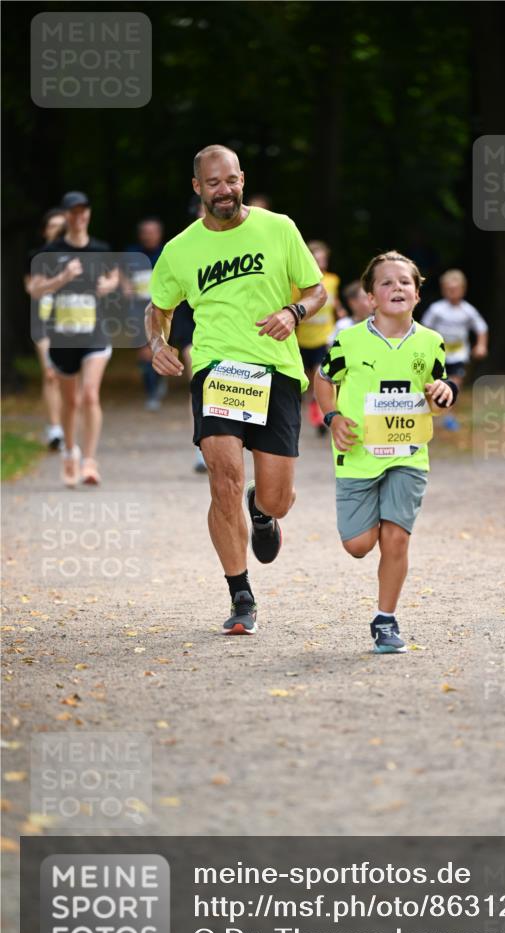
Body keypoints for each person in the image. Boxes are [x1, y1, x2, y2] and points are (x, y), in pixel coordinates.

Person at [146, 144, 326, 635]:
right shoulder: (181, 249)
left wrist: (294, 313)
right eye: (213, 183)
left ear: (241, 179)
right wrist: (156, 340)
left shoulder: (278, 227)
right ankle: (240, 593)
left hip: (278, 372)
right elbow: (158, 306)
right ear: (197, 187)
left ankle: (263, 515)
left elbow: (316, 290)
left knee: (278, 497)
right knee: (221, 477)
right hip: (217, 370)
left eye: (231, 181)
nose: (223, 191)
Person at [315, 251, 458, 653]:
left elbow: (439, 388)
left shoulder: (431, 342)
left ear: (417, 294)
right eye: (386, 282)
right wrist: (332, 417)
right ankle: (372, 516)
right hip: (358, 454)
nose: (397, 287)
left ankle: (386, 620)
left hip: (408, 455)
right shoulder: (349, 340)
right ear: (370, 297)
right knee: (359, 545)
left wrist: (445, 393)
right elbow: (323, 379)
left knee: (395, 539)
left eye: (405, 282)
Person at [27, 191, 118, 487]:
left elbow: (115, 279)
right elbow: (36, 290)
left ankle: (89, 461)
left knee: (90, 394)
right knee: (70, 402)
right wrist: (63, 278)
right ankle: (70, 452)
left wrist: (108, 285)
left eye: (83, 211)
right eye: (73, 212)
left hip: (95, 333)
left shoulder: (102, 249)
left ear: (88, 214)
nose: (79, 217)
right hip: (63, 336)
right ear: (66, 215)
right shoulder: (50, 252)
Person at [420, 269, 488, 431]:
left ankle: (449, 417)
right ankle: (430, 412)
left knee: (453, 384)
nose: (452, 292)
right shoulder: (437, 309)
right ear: (443, 289)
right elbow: (423, 329)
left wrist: (481, 345)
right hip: (438, 354)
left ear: (463, 289)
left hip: (458, 354)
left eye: (456, 289)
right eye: (448, 289)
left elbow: (481, 328)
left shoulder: (467, 310)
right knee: (435, 385)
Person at [168, 197, 208, 472]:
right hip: (190, 322)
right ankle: (202, 448)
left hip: (228, 324)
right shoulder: (182, 247)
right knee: (199, 380)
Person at [24, 208, 66, 449]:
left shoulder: (75, 255)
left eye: (62, 226)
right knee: (51, 375)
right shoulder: (35, 257)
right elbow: (31, 289)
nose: (58, 231)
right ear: (44, 230)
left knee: (68, 377)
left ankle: (67, 428)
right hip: (44, 322)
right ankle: (54, 429)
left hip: (71, 323)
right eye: (53, 226)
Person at [296, 240, 341, 433]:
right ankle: (312, 414)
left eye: (323, 259)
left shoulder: (333, 280)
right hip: (303, 338)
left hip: (324, 337)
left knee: (319, 376)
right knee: (306, 382)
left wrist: (340, 311)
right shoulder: (298, 283)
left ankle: (320, 417)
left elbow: (334, 300)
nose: (321, 263)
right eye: (317, 259)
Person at [123, 217, 166, 411]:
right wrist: (124, 286)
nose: (149, 236)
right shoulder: (131, 253)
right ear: (141, 235)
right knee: (144, 352)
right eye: (145, 232)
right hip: (137, 309)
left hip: (162, 309)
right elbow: (119, 273)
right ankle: (152, 391)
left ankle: (158, 380)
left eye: (153, 232)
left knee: (157, 349)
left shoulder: (168, 252)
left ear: (159, 233)